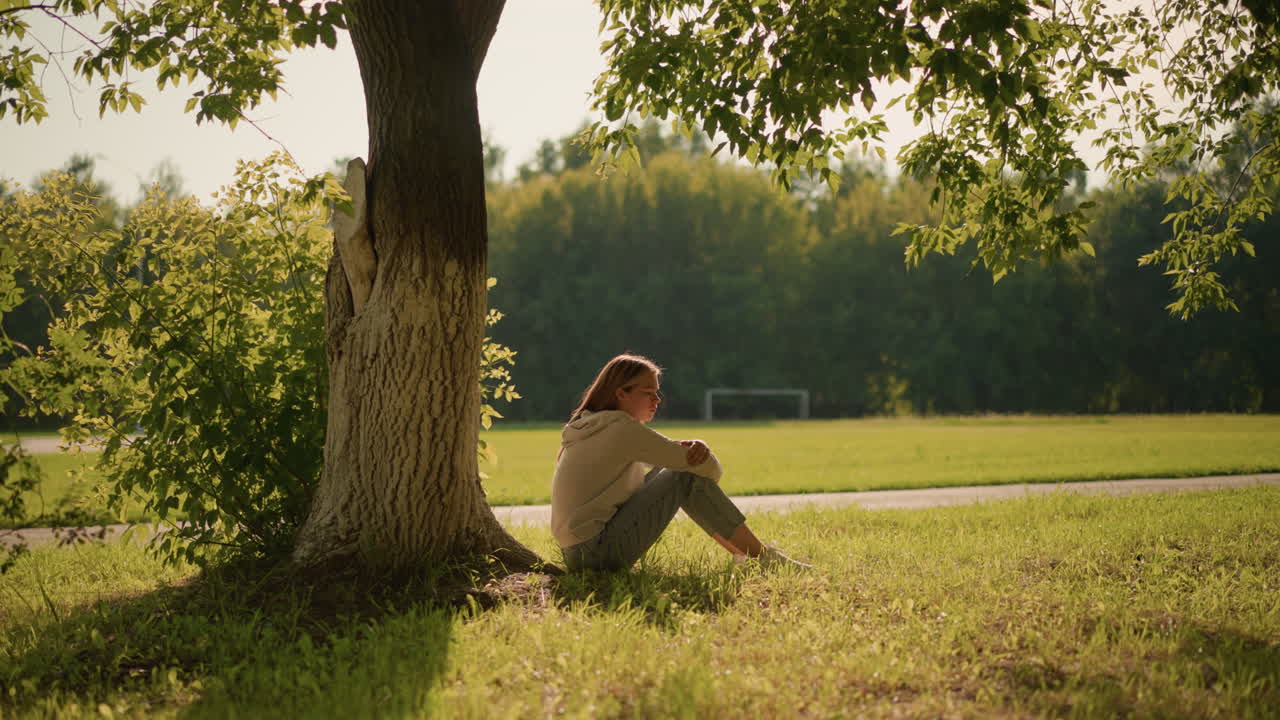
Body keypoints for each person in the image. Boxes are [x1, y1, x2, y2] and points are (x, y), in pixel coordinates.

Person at [550, 353, 810, 572]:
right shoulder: (621, 428)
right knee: (682, 476)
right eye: (648, 393)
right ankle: (761, 557)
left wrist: (687, 457)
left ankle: (750, 556)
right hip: (596, 555)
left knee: (674, 471)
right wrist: (701, 450)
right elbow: (706, 471)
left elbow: (676, 464)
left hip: (578, 554)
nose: (657, 400)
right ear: (621, 394)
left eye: (657, 392)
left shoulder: (590, 424)